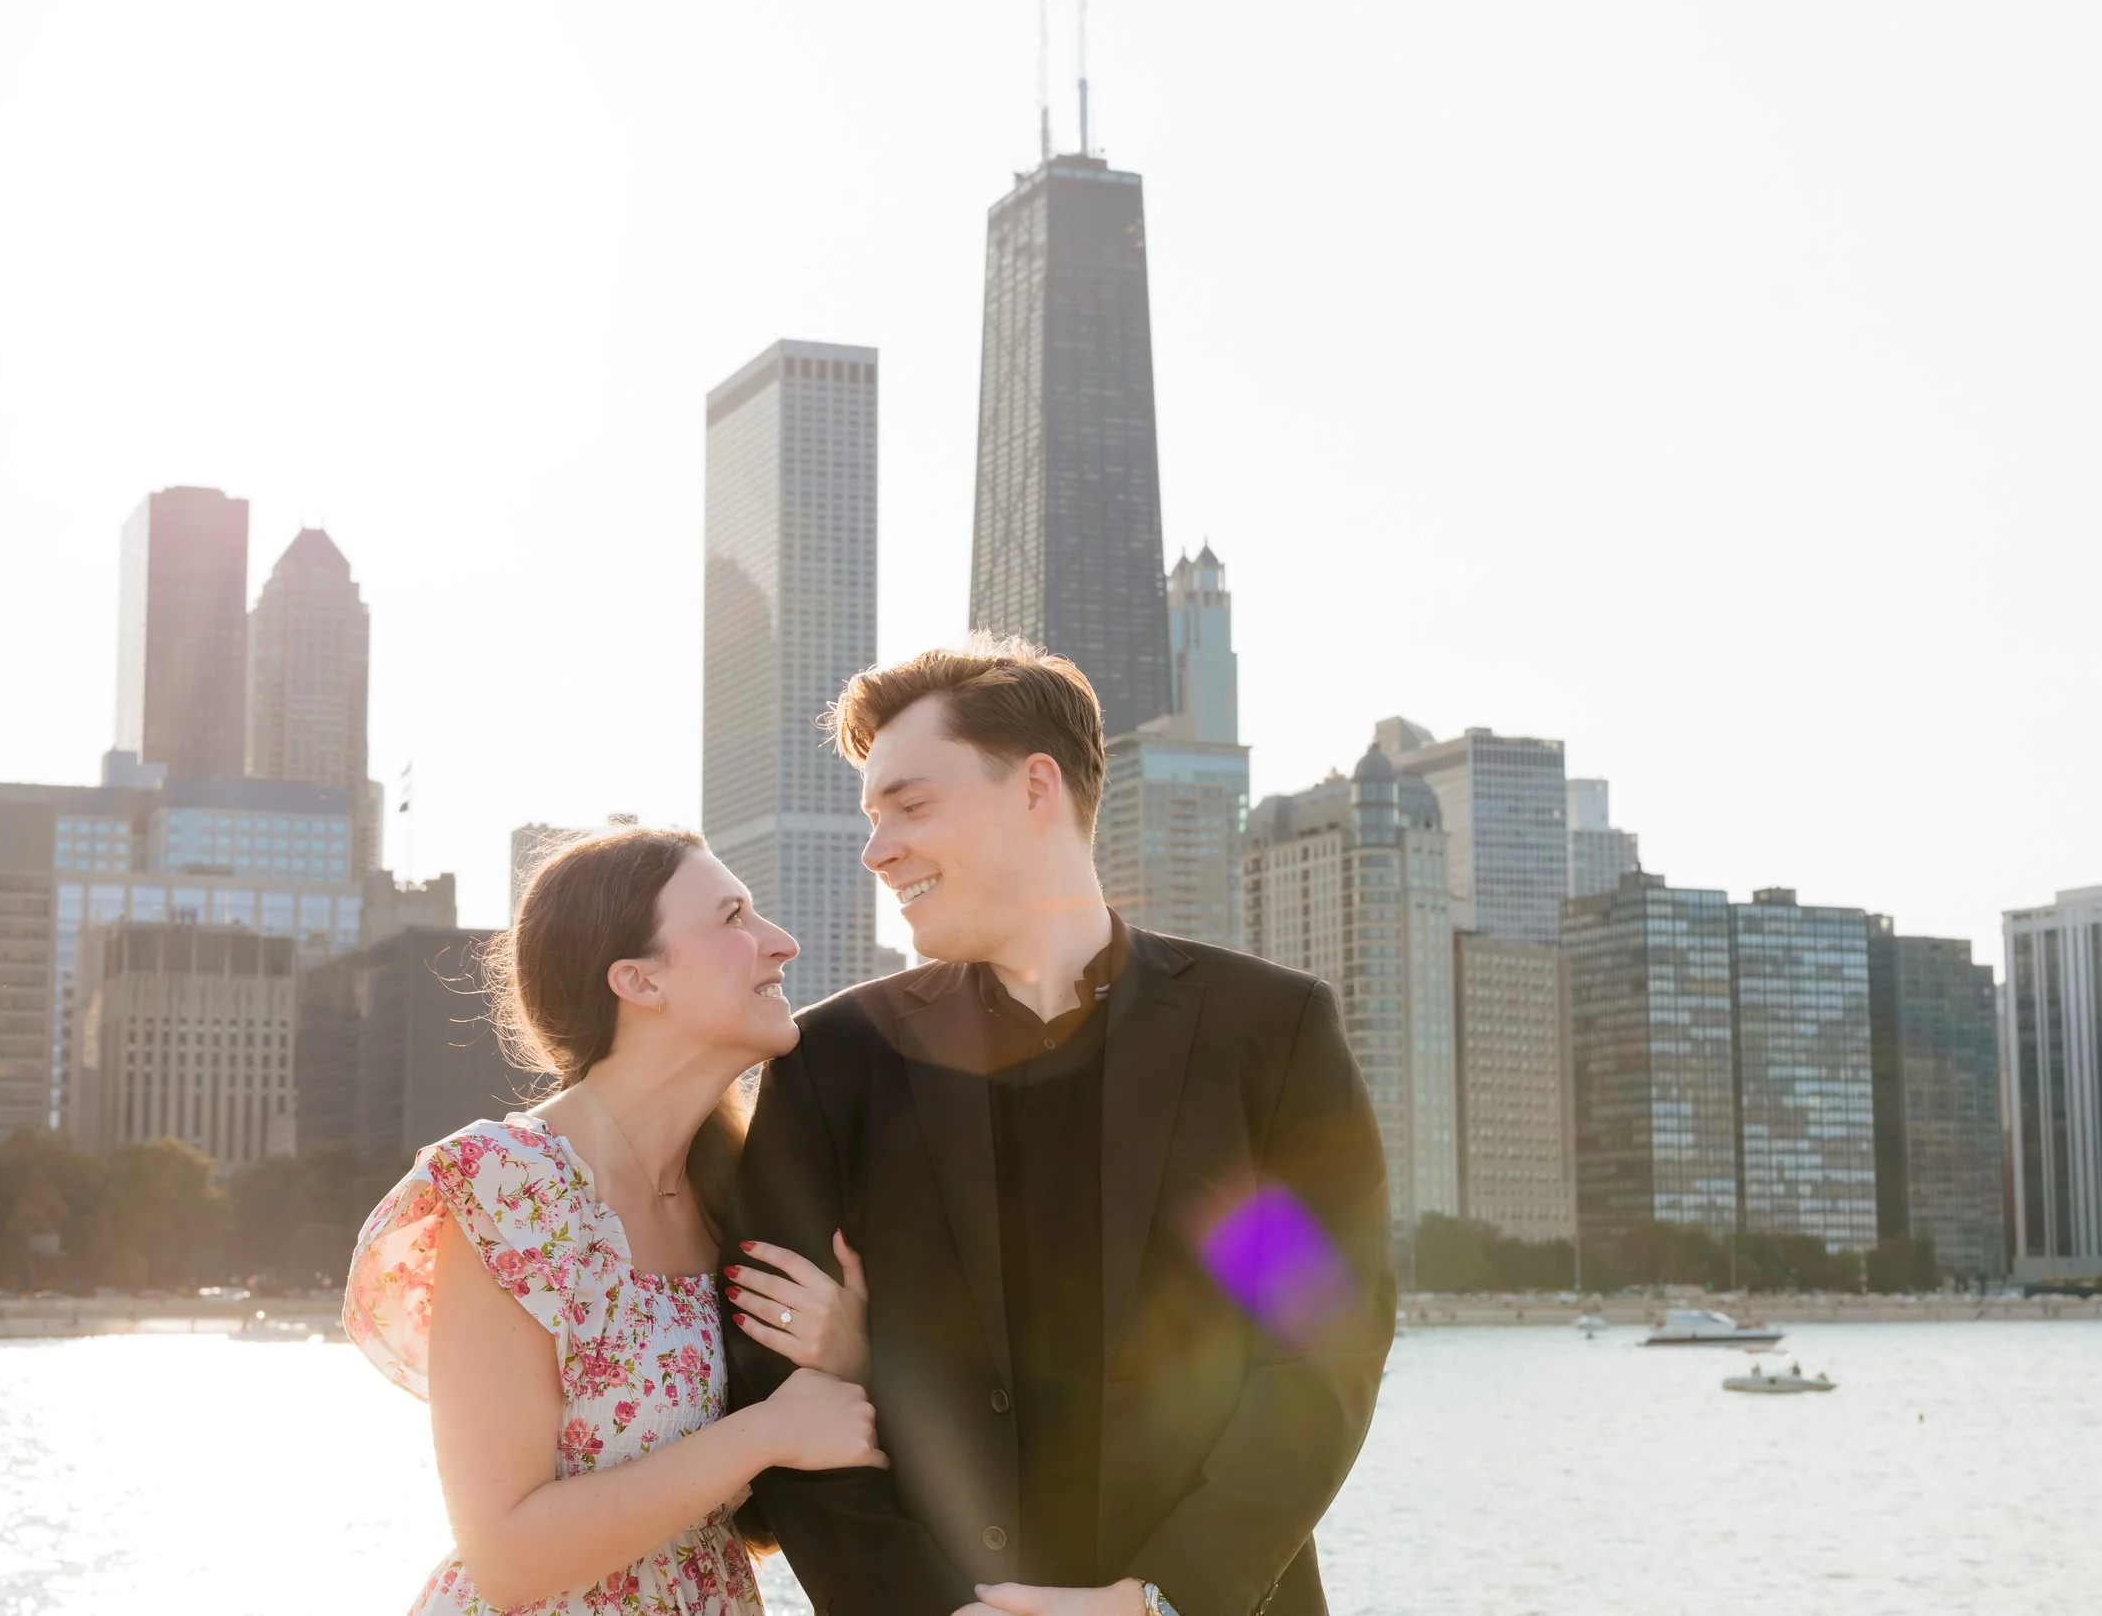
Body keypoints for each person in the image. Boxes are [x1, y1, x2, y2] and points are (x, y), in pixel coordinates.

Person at [724, 641, 1395, 1616]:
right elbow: (780, 1388)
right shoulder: (829, 1064)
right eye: (873, 819)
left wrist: (1158, 1598)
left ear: (1036, 786)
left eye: (910, 806)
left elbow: (1313, 1351)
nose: (876, 849)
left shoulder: (1261, 1034)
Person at [345, 827, 883, 1615]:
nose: (782, 943)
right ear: (638, 980)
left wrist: (851, 1351)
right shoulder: (513, 1187)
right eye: (734, 916)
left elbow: (770, 1504)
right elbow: (510, 1559)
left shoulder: (741, 1195)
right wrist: (766, 1430)